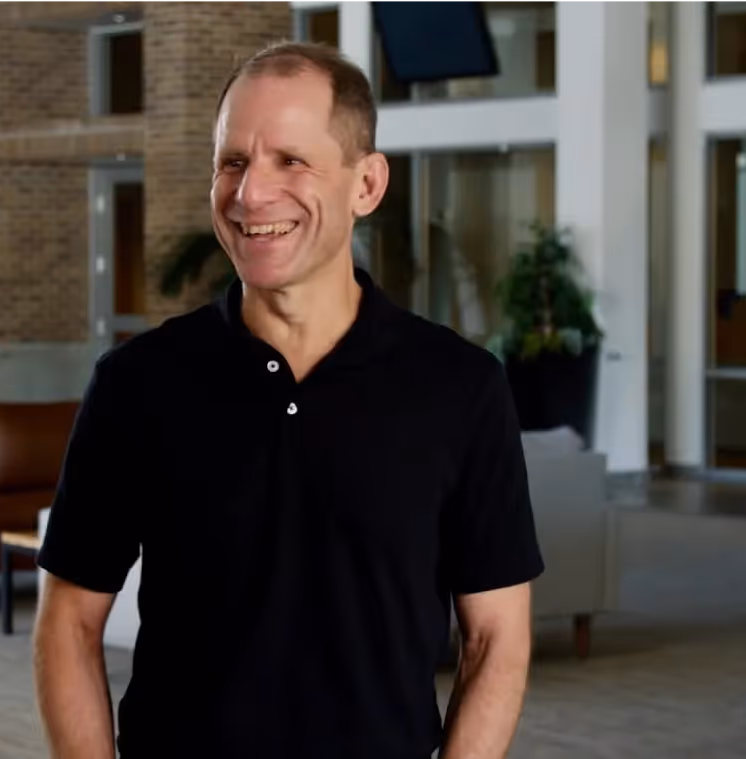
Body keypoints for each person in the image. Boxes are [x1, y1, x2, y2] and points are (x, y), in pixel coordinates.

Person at [33, 41, 544, 759]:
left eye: (290, 160)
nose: (249, 194)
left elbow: (496, 638)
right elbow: (68, 623)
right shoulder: (138, 383)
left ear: (366, 185)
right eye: (232, 161)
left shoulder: (460, 387)